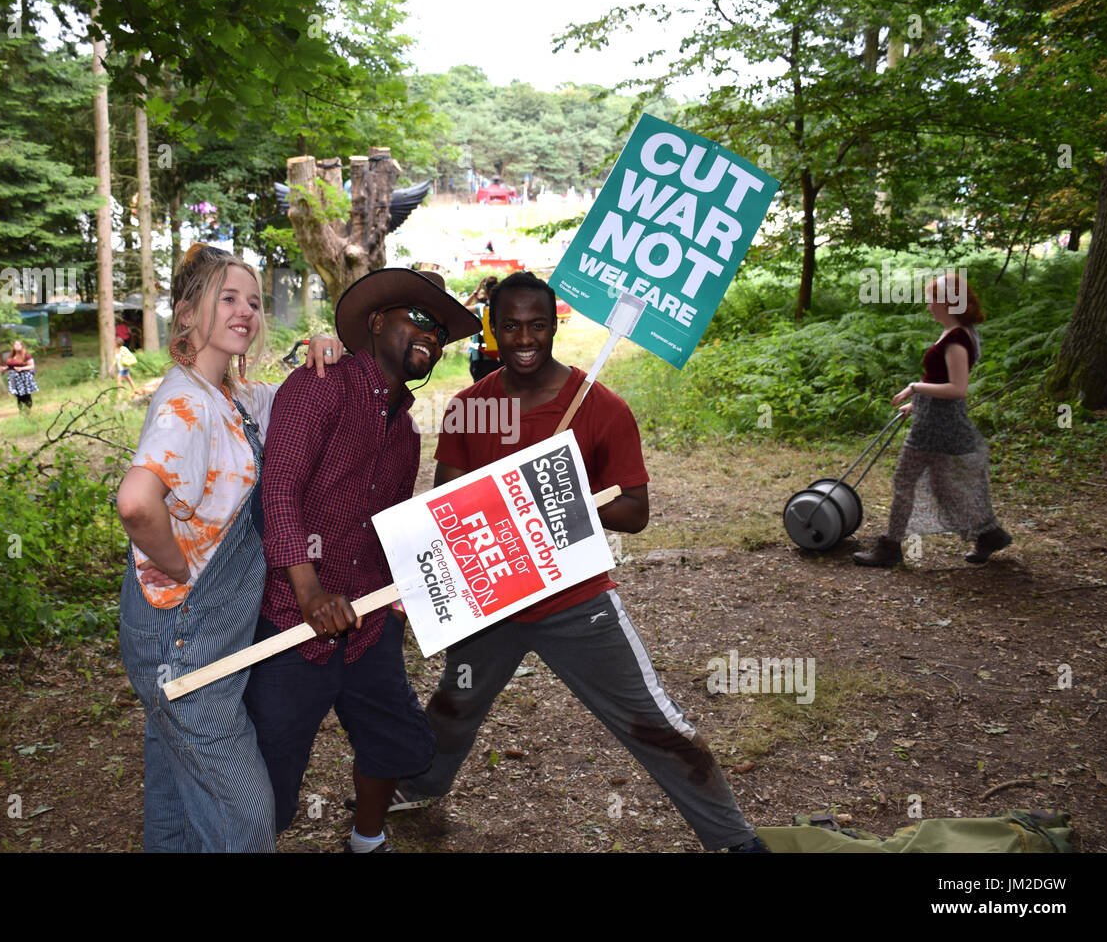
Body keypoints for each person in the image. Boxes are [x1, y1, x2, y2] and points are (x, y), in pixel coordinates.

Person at [390, 271, 766, 852]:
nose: (523, 339)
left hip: (576, 601)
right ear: (491, 327)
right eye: (509, 325)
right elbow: (449, 498)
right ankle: (419, 785)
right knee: (455, 701)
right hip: (493, 595)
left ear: (554, 325)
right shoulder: (469, 407)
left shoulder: (600, 408)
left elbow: (635, 511)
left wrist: (553, 497)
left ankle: (734, 841)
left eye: (536, 325)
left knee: (654, 725)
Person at [244, 267, 481, 853]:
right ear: (377, 322)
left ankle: (366, 841)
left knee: (398, 741)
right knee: (273, 769)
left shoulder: (405, 432)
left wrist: (400, 597)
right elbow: (280, 491)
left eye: (440, 329)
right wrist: (308, 593)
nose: (430, 334)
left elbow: (389, 527)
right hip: (293, 622)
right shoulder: (321, 385)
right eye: (417, 318)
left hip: (368, 617)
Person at [115, 243, 339, 852]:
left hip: (196, 635)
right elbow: (137, 502)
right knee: (245, 818)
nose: (246, 311)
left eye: (254, 302)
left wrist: (325, 346)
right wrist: (179, 569)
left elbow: (291, 398)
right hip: (182, 642)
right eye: (228, 299)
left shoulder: (233, 398)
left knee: (177, 793)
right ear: (187, 314)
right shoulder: (186, 404)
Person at [853, 272, 1012, 567]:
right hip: (935, 419)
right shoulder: (958, 332)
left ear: (949, 302)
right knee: (946, 485)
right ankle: (989, 534)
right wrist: (918, 404)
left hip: (936, 428)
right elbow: (942, 381)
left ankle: (890, 547)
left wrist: (915, 388)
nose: (928, 304)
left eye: (933, 299)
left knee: (904, 480)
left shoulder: (956, 340)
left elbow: (957, 388)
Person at [465, 275, 502, 382]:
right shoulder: (504, 308)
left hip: (480, 357)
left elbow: (462, 308)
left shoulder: (480, 308)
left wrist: (475, 293)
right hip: (499, 357)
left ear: (485, 292)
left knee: (480, 393)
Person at [5, 340, 38, 411]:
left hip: (23, 377)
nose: (16, 346)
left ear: (21, 346)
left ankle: (28, 409)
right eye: (15, 345)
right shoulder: (12, 356)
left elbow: (31, 366)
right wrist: (5, 368)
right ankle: (21, 410)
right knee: (18, 395)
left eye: (18, 345)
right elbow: (11, 366)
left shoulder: (26, 355)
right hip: (14, 378)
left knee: (26, 394)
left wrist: (22, 368)